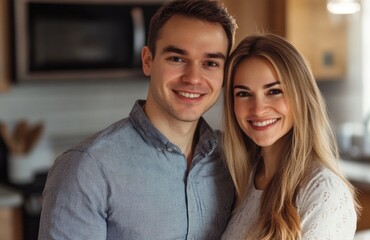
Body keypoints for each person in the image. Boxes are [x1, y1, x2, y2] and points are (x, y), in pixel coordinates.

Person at [38, 0, 237, 239]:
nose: (194, 78)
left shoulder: (235, 160)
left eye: (210, 63)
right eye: (177, 59)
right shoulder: (87, 168)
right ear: (147, 61)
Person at [220, 33, 360, 240]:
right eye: (243, 94)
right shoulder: (243, 177)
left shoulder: (323, 192)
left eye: (274, 91)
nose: (258, 110)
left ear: (301, 96)